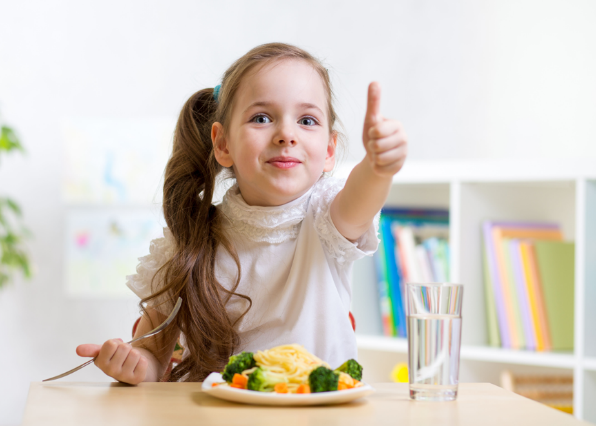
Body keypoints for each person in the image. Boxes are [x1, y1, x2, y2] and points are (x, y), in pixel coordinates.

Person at [76, 42, 408, 384]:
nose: (286, 135)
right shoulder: (190, 239)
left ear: (328, 150)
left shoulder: (328, 219)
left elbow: (360, 199)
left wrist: (378, 167)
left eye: (307, 120)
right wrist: (133, 364)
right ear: (222, 144)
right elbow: (152, 357)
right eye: (261, 118)